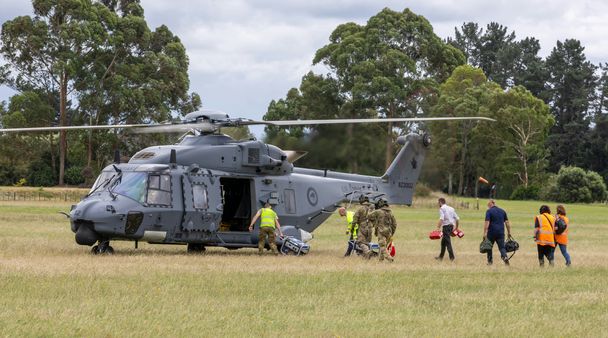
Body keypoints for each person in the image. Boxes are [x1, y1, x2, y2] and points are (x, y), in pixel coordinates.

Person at [483, 200, 512, 265]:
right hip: (500, 233)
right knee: (502, 247)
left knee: (489, 247)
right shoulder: (502, 211)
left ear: (492, 203)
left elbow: (487, 222)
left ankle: (490, 262)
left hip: (491, 233)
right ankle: (505, 257)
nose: (488, 206)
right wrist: (509, 232)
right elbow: (507, 223)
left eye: (488, 205)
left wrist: (485, 233)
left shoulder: (489, 211)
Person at [368, 198, 396, 262]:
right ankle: (380, 261)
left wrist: (370, 209)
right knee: (383, 247)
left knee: (382, 246)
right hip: (389, 232)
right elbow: (394, 224)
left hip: (381, 231)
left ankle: (389, 258)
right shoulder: (390, 213)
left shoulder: (378, 211)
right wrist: (392, 233)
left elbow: (369, 216)